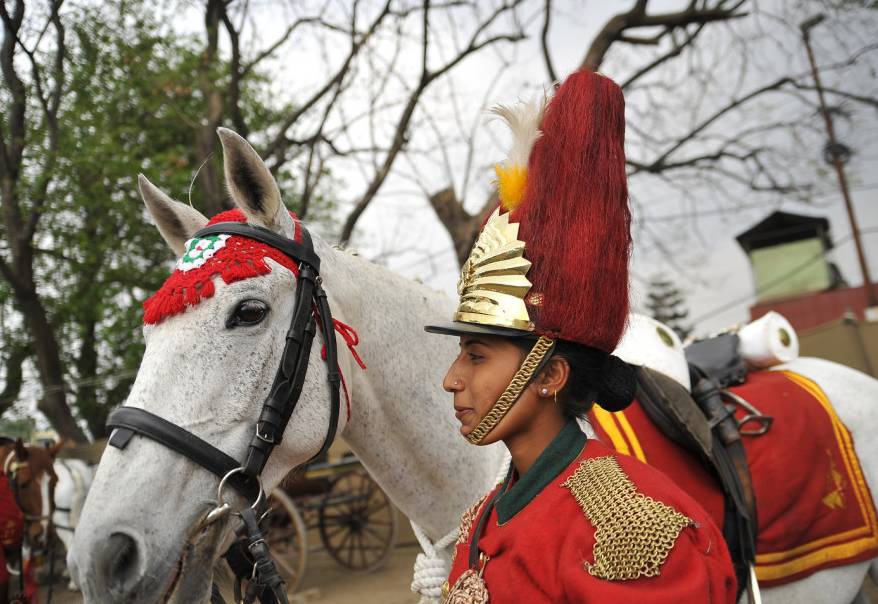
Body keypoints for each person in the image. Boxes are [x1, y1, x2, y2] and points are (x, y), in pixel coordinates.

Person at [425, 69, 737, 603]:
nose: (452, 379)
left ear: (549, 373)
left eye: (476, 356)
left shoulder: (630, 531)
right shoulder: (482, 516)